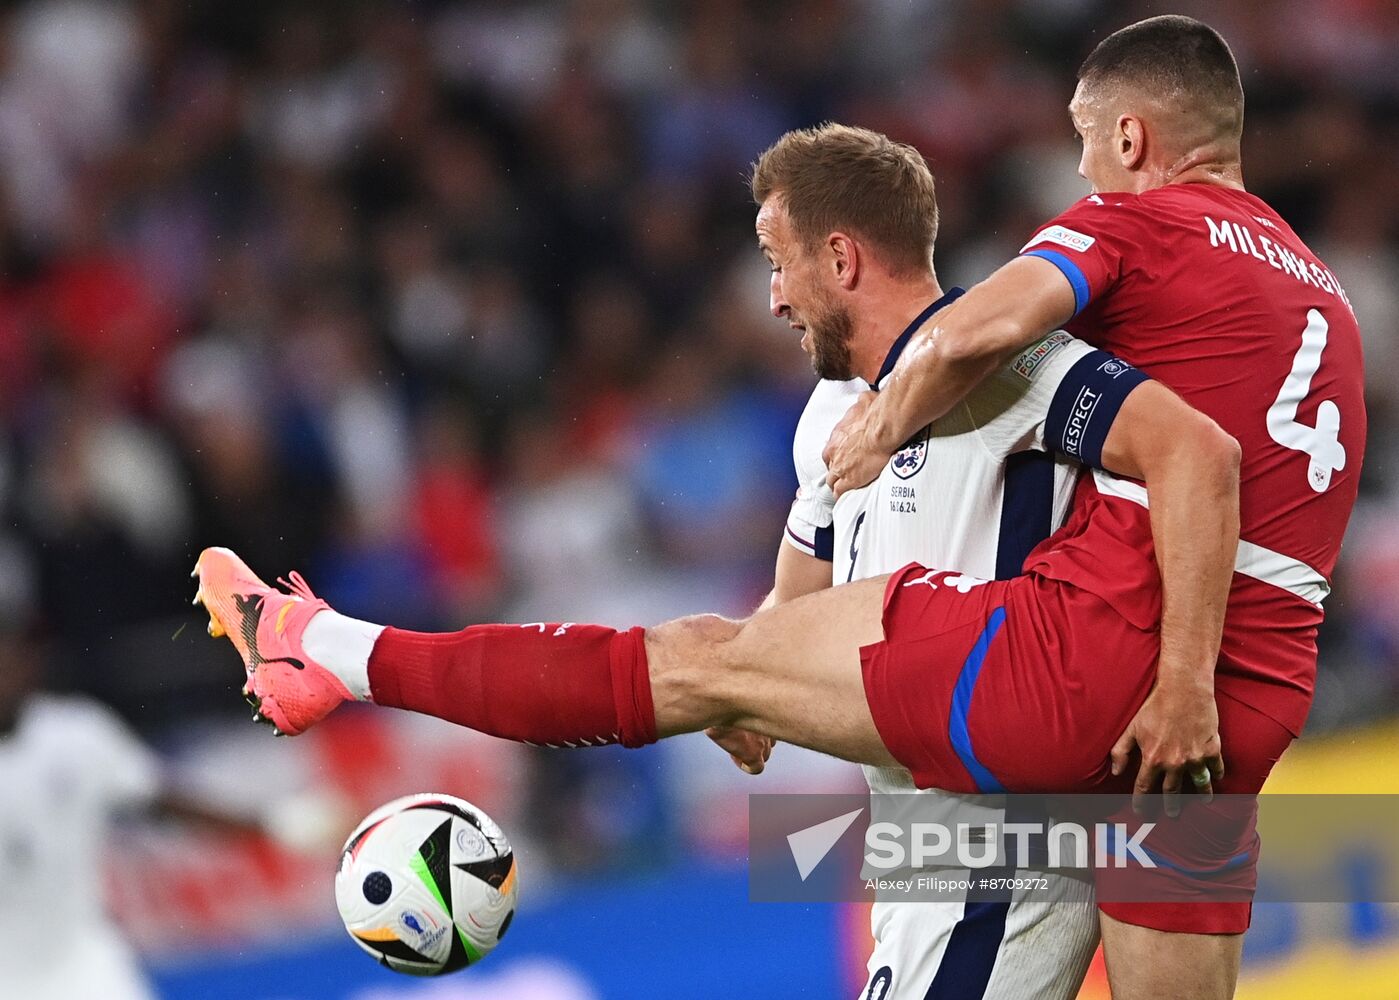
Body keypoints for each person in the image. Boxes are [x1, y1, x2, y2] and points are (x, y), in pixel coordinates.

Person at [193, 111, 1243, 1000]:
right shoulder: (828, 419)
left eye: (777, 264)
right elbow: (786, 616)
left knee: (690, 657)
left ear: (840, 258)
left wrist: (1188, 683)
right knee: (708, 659)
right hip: (915, 830)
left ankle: (331, 650)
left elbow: (1189, 459)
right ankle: (328, 651)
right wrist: (751, 698)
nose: (774, 298)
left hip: (1004, 821)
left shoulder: (1008, 358)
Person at [817, 14, 1365, 1000]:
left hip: (1152, 653)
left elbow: (972, 327)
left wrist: (881, 421)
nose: (1080, 169)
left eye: (1084, 140)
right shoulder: (1322, 287)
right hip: (1271, 673)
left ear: (1129, 139)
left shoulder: (1138, 221)